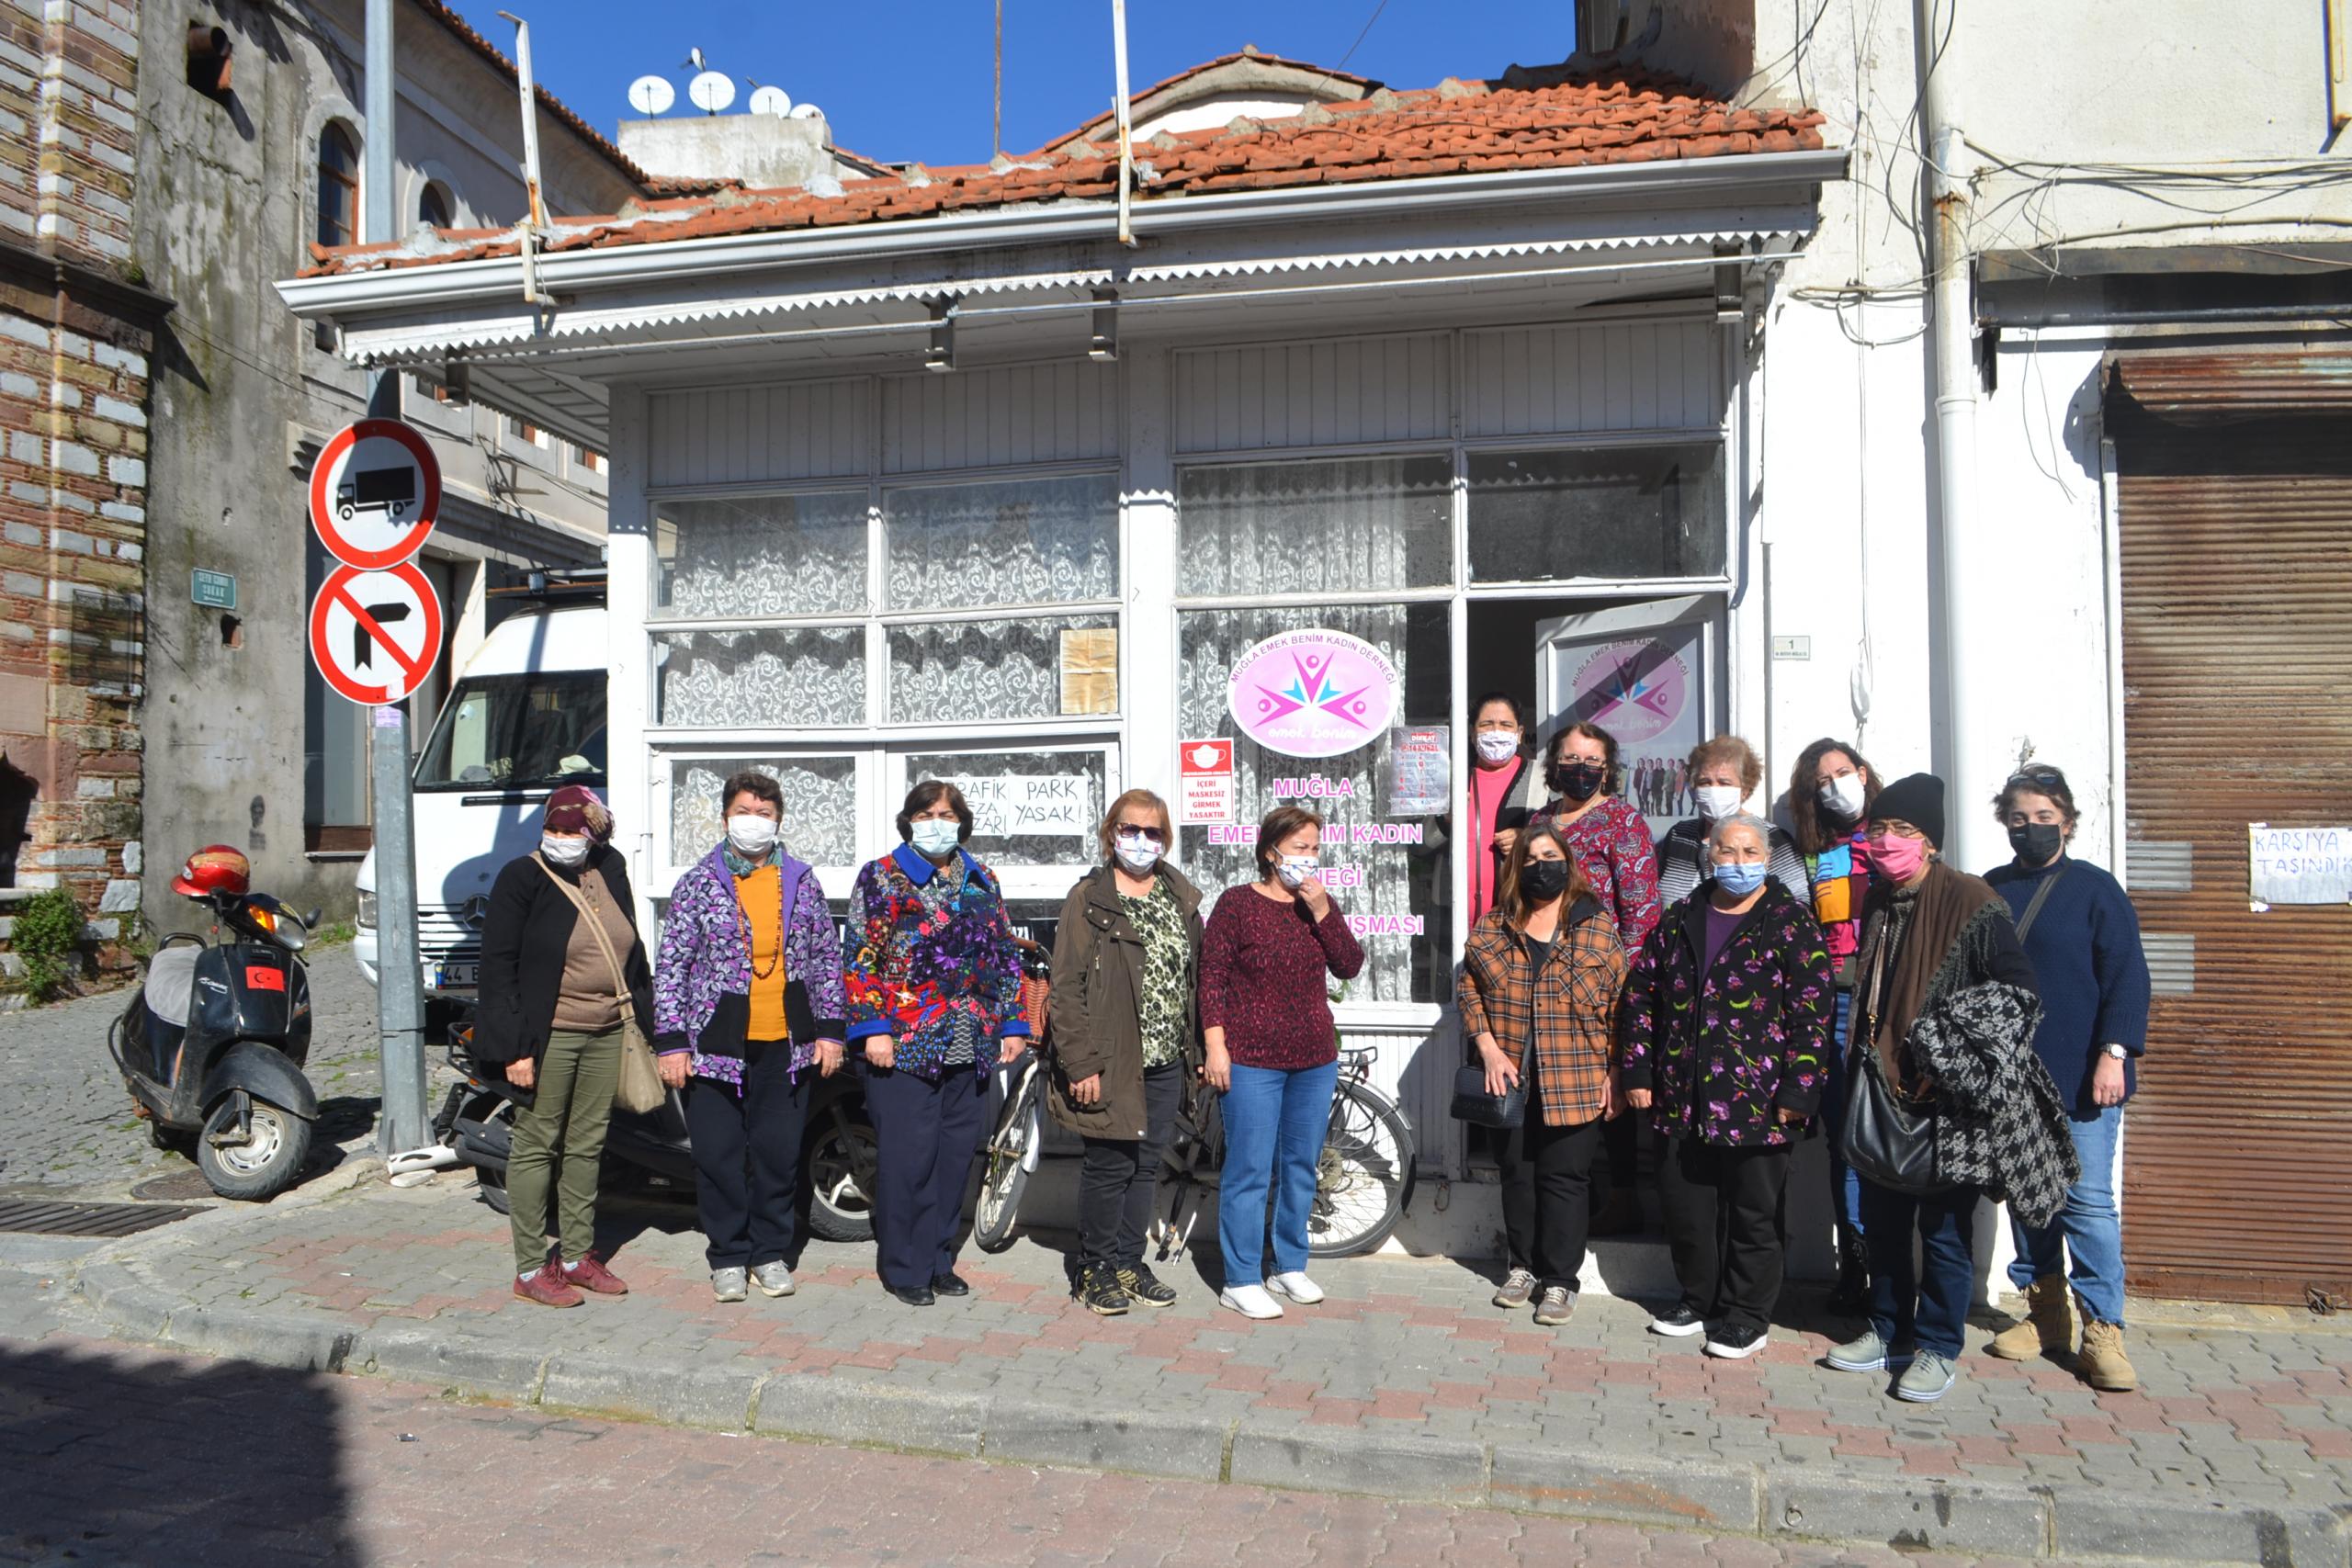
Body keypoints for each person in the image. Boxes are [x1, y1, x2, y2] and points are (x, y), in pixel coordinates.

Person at [1824, 774, 2076, 1403]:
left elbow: (2019, 992)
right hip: (1882, 1090)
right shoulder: (1880, 898)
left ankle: (1937, 1346)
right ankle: (1888, 1330)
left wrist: (1946, 1043)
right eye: (1879, 829)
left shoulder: (1971, 899)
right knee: (1881, 1224)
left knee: (1942, 1233)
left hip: (1948, 1103)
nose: (1887, 841)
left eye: (1903, 831)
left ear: (1930, 842)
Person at [1622, 811, 1834, 1359]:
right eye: (1726, 852)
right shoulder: (1680, 917)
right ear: (1708, 856)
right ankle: (1698, 1298)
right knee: (1688, 1208)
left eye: (1749, 853)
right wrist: (1639, 1070)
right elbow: (1642, 995)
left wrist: (1798, 1091)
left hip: (1758, 1101)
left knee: (1752, 1215)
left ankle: (1746, 1315)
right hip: (1680, 1094)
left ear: (1765, 859)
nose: (1737, 863)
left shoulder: (1790, 921)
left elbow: (1813, 1014)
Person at [1983, 764, 2152, 1393]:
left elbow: (2128, 975)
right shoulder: (1992, 889)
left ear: (2069, 823)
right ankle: (2046, 1315)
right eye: (2019, 819)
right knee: (2031, 1194)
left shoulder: (2095, 889)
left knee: (2086, 1202)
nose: (2030, 829)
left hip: (2082, 1074)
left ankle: (2103, 1328)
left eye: (2043, 818)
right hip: (2014, 1077)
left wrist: (2116, 1051)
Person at [653, 772, 848, 1304]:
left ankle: (769, 1251)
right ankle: (729, 1256)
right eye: (744, 810)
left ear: (778, 820)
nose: (753, 821)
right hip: (714, 1046)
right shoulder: (698, 884)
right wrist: (670, 1043)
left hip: (786, 1045)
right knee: (717, 1156)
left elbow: (827, 961)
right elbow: (672, 966)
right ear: (724, 818)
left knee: (777, 1154)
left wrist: (830, 1033)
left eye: (763, 812)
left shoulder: (801, 881)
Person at [844, 781, 1031, 1306]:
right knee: (909, 1159)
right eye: (927, 812)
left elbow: (1000, 955)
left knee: (953, 1158)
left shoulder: (981, 878)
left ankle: (938, 1260)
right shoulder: (882, 875)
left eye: (947, 813)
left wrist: (1012, 1024)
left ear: (962, 821)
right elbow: (861, 956)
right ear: (909, 820)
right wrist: (873, 1026)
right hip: (903, 1043)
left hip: (968, 1040)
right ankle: (905, 1266)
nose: (937, 822)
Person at [472, 784, 656, 1308]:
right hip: (548, 1034)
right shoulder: (521, 877)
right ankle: (531, 1267)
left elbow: (631, 949)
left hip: (607, 1028)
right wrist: (516, 1049)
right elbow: (498, 967)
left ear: (595, 833)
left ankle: (575, 1256)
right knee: (537, 1144)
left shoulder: (611, 867)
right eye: (553, 829)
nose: (561, 839)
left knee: (588, 1143)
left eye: (572, 831)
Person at [1198, 804, 1365, 1320]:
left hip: (1313, 1058)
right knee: (1250, 1168)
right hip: (1251, 1059)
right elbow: (1212, 978)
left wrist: (1322, 911)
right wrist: (1215, 1044)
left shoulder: (1316, 906)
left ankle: (1289, 1264)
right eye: (1299, 847)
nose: (1309, 858)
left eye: (1315, 847)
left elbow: (1350, 964)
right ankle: (1241, 1277)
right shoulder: (1237, 904)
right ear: (1271, 851)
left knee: (1300, 1167)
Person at [1457, 820, 1628, 1325]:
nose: (1540, 868)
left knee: (1565, 1179)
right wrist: (1486, 1047)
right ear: (1515, 869)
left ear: (1567, 863)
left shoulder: (1595, 926)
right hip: (1507, 1076)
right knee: (1517, 1174)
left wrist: (1616, 1070)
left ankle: (1560, 1281)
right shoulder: (1495, 924)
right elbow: (1468, 989)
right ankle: (1522, 1267)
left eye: (1549, 856)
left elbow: (1621, 1003)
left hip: (1576, 1073)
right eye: (1529, 860)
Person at [1046, 789, 1205, 1316]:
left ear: (1166, 838)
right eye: (1130, 829)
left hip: (1164, 1060)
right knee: (1108, 1165)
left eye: (1153, 832)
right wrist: (1081, 1061)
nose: (1141, 841)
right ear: (1111, 833)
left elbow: (1196, 980)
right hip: (1110, 1058)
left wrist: (1200, 1048)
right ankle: (1093, 1268)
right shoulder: (1089, 899)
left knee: (1144, 1165)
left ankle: (1129, 1262)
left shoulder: (1178, 896)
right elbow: (1064, 987)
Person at [1538, 719, 1661, 1235]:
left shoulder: (1622, 823)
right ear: (1554, 764)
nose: (1581, 769)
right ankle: (1569, 1193)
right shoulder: (1542, 821)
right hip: (1545, 976)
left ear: (1607, 769)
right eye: (1571, 759)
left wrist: (1628, 986)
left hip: (1606, 979)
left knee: (1611, 1093)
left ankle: (1622, 1195)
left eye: (1592, 761)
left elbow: (1641, 911)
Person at [1785, 737, 1884, 1312]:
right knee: (1844, 1142)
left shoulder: (1897, 838)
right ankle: (1857, 1268)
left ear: (1864, 773)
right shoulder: (1810, 852)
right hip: (1832, 1005)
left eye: (1841, 774)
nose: (1834, 787)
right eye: (1821, 782)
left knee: (1885, 1136)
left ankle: (1889, 1262)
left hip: (1886, 1004)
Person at [1655, 736, 1807, 905]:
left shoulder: (1772, 838)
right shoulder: (1679, 835)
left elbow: (1800, 902)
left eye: (1724, 783)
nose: (1713, 789)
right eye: (1705, 782)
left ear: (1745, 790)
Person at [1463, 692, 1549, 930]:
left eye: (1505, 725)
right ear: (1472, 733)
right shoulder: (1454, 778)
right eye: (1487, 724)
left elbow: (1567, 836)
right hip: (1454, 922)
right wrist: (1446, 819)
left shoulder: (1543, 778)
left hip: (1521, 919)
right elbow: (1423, 843)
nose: (1496, 732)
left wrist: (1528, 840)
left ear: (1519, 733)